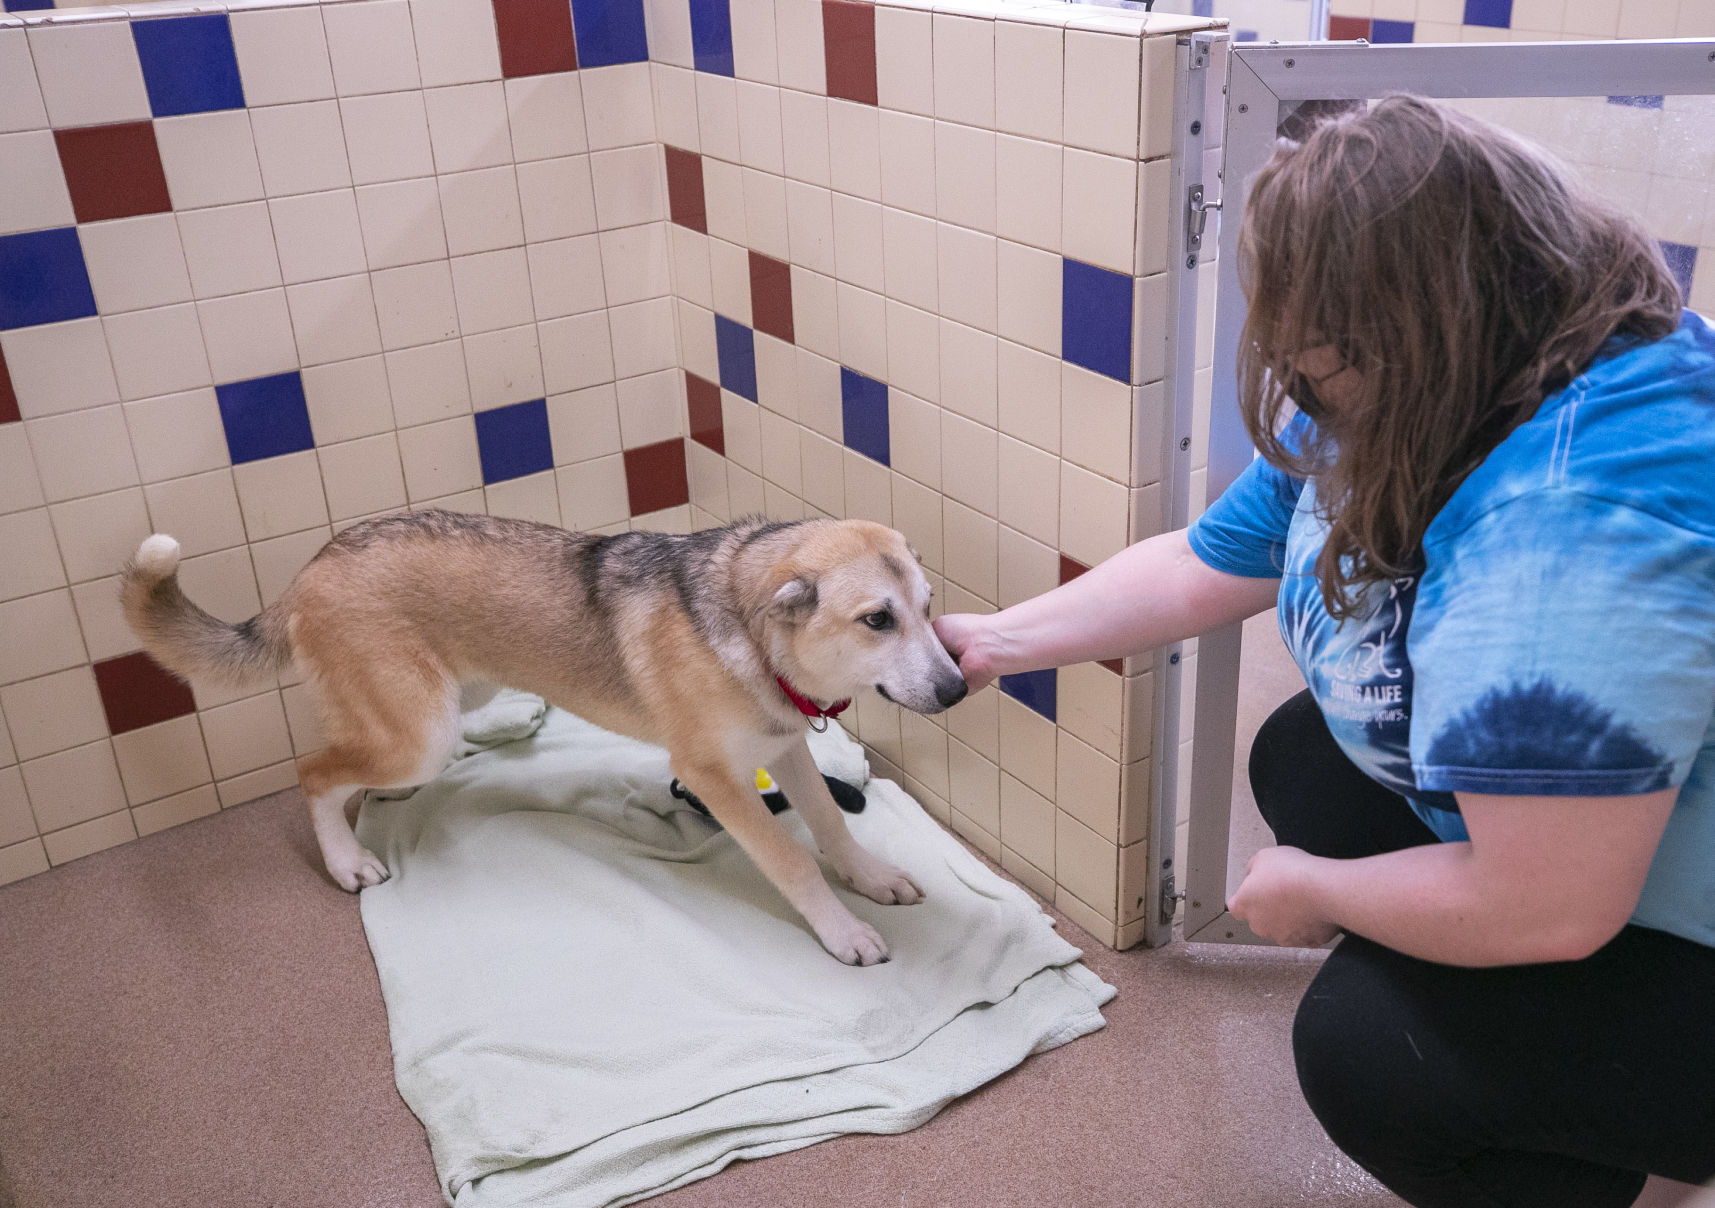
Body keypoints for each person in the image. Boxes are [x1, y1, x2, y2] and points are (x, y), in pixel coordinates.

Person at [933, 95, 1715, 1208]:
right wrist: (993, 642)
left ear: (1411, 326)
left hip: (1647, 922)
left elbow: (1549, 907)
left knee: (1363, 1054)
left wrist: (1326, 890)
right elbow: (1209, 561)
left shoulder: (1569, 535)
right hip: (1607, 848)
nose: (1294, 372)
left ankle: (1611, 1154)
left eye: (1312, 346)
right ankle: (1530, 1032)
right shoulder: (1460, 370)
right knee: (1305, 754)